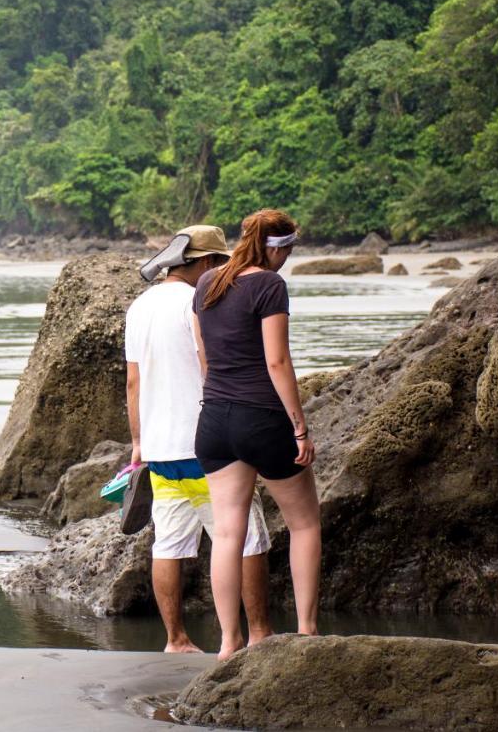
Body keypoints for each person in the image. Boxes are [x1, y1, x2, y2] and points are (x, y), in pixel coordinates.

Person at [126, 224, 273, 654]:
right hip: (206, 443)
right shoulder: (202, 299)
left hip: (158, 449)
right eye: (219, 263)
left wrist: (139, 443)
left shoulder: (140, 305)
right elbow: (212, 365)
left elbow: (133, 382)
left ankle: (176, 640)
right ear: (207, 263)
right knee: (245, 537)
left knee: (168, 546)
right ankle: (259, 635)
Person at [192, 209, 320, 661]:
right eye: (288, 250)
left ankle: (228, 644)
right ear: (276, 248)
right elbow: (277, 362)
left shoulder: (207, 283)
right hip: (262, 418)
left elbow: (204, 356)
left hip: (213, 422)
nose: (287, 259)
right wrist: (299, 426)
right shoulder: (269, 286)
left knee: (227, 534)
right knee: (304, 523)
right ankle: (306, 633)